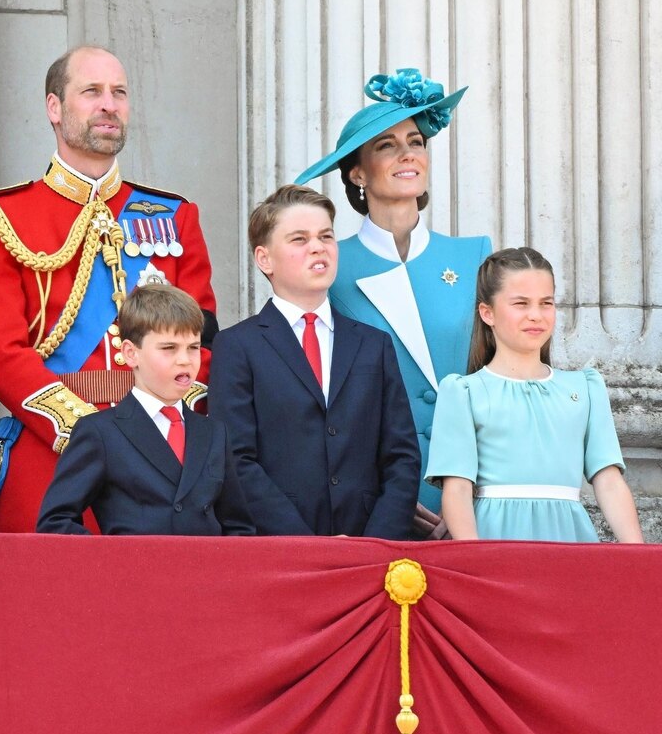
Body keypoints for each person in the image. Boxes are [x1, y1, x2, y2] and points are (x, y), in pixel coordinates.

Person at [0, 45, 218, 532]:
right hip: (52, 453)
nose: (109, 104)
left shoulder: (173, 216)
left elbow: (203, 340)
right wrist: (91, 433)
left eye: (119, 93)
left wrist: (154, 427)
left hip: (164, 458)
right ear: (54, 108)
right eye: (92, 92)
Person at [295, 68, 491, 539]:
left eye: (416, 141)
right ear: (357, 171)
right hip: (378, 500)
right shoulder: (330, 267)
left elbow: (498, 381)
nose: (408, 153)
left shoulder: (474, 255)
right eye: (387, 145)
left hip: (473, 492)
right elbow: (324, 397)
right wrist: (387, 494)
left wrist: (474, 489)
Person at [209, 185, 419, 538]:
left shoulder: (373, 345)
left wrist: (375, 541)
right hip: (280, 548)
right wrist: (308, 545)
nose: (318, 247)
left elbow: (402, 457)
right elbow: (235, 460)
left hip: (369, 547)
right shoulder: (236, 346)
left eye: (326, 236)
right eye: (299, 239)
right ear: (265, 259)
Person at [425, 248, 643, 543]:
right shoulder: (464, 392)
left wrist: (637, 557)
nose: (536, 315)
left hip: (570, 540)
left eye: (546, 303)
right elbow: (458, 489)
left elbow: (609, 482)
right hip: (494, 541)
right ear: (487, 312)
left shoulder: (585, 388)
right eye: (521, 303)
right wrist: (472, 560)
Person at [37, 285, 253, 536]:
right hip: (133, 573)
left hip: (206, 573)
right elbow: (56, 522)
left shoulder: (214, 432)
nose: (185, 359)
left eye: (193, 347)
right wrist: (111, 563)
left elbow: (238, 526)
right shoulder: (100, 432)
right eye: (169, 348)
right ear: (131, 353)